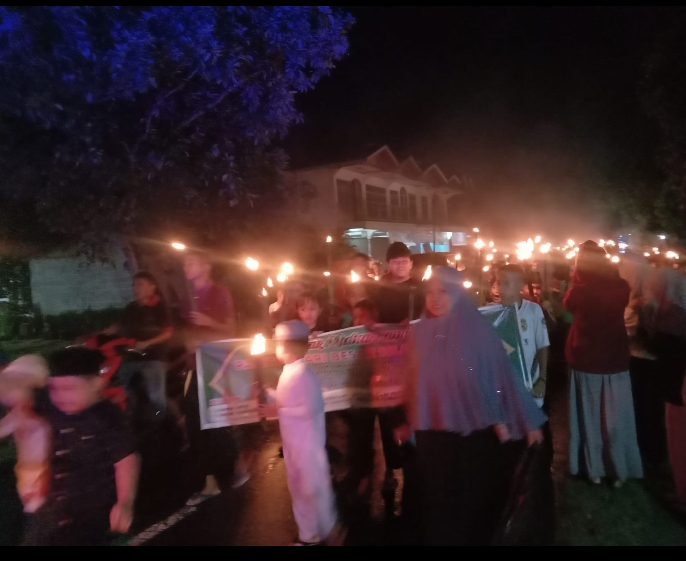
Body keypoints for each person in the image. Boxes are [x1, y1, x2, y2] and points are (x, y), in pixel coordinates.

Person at [395, 267, 546, 546]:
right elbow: (414, 383)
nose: (435, 298)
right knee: (436, 507)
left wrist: (524, 418)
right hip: (432, 438)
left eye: (443, 291)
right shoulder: (421, 333)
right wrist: (411, 422)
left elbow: (502, 376)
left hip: (472, 437)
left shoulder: (477, 331)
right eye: (430, 292)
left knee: (468, 507)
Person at [257, 320, 346, 546]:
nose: (276, 348)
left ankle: (331, 531)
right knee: (298, 490)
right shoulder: (289, 372)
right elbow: (286, 399)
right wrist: (268, 393)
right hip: (294, 446)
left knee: (314, 491)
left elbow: (310, 408)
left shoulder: (304, 374)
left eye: (278, 343)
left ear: (288, 347)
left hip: (308, 448)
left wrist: (277, 410)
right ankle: (308, 535)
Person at [41, 347, 139, 546]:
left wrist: (125, 501)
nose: (60, 396)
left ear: (96, 384)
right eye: (53, 388)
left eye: (69, 388)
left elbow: (126, 458)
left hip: (93, 511)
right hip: (52, 511)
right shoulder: (51, 410)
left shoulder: (107, 416)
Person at [564, 241, 643, 487]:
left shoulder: (580, 291)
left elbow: (568, 304)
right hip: (614, 358)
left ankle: (594, 469)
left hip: (587, 358)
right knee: (616, 416)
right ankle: (618, 468)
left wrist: (576, 279)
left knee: (589, 416)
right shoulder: (621, 286)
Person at [181, 250, 249, 504]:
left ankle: (238, 464)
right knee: (195, 425)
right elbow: (187, 331)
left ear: (206, 265)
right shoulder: (188, 297)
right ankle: (209, 483)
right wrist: (188, 342)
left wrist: (208, 321)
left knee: (218, 421)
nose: (186, 267)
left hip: (217, 367)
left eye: (191, 262)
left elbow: (230, 329)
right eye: (184, 263)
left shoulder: (220, 293)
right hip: (194, 366)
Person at [367, 242, 423, 503]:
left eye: (404, 261)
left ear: (410, 263)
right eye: (395, 261)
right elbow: (369, 316)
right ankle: (390, 467)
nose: (400, 265)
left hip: (413, 359)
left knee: (411, 409)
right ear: (388, 264)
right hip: (386, 360)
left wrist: (414, 322)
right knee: (388, 413)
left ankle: (414, 466)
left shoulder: (420, 288)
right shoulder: (378, 288)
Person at [105, 271, 173, 417]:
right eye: (134, 285)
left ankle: (162, 421)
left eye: (140, 285)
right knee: (122, 390)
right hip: (131, 356)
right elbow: (119, 327)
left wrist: (147, 343)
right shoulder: (131, 308)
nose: (135, 289)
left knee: (155, 395)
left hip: (153, 357)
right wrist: (97, 335)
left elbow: (167, 333)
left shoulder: (160, 307)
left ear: (152, 287)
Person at [0, 355, 51, 546]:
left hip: (39, 482)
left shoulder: (28, 414)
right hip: (27, 479)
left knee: (35, 526)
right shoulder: (20, 412)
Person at [495, 265, 550, 409]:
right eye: (498, 283)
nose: (500, 288)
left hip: (530, 386)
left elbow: (542, 346)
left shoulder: (533, 310)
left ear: (520, 285)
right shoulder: (493, 314)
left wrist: (542, 379)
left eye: (506, 283)